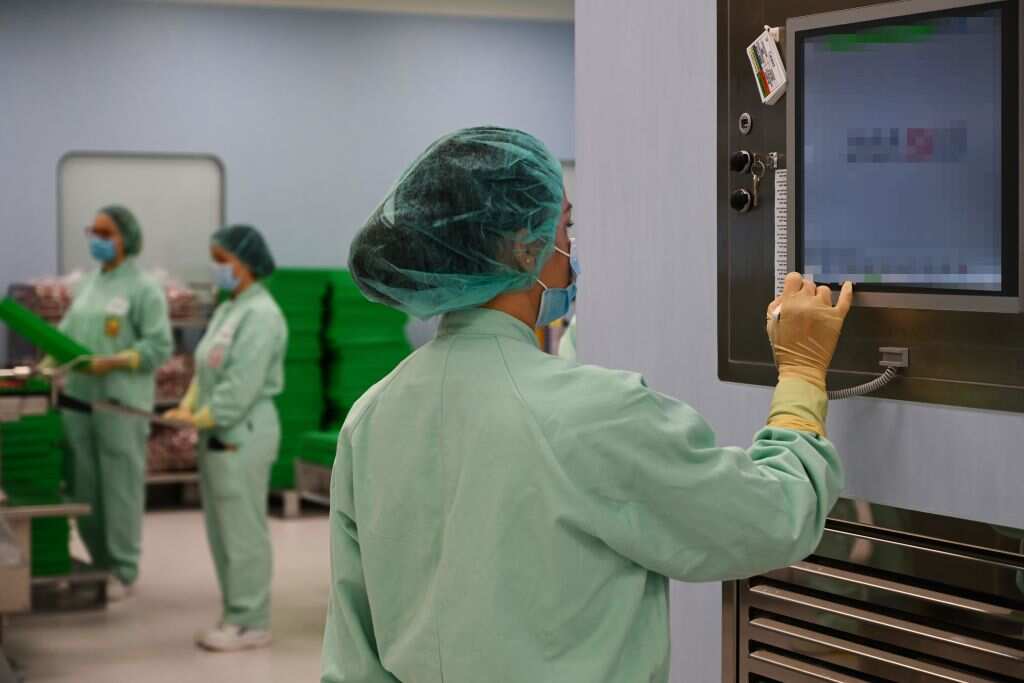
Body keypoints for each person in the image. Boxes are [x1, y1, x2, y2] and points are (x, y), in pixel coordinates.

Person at [321, 127, 853, 682]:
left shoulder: (371, 418)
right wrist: (801, 374)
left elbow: (352, 655)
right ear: (524, 247)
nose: (571, 249)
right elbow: (768, 518)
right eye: (565, 227)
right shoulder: (594, 413)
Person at [165, 225, 286, 652]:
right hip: (218, 430)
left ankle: (252, 621)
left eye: (223, 261)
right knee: (222, 531)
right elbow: (206, 368)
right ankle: (235, 612)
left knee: (243, 530)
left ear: (247, 264)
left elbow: (242, 383)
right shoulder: (228, 308)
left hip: (243, 430)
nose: (217, 269)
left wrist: (205, 416)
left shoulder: (263, 315)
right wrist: (188, 404)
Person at [58, 206, 172, 601]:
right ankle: (99, 563)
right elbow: (64, 339)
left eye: (105, 232)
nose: (97, 239)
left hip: (119, 404)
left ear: (126, 238)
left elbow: (159, 346)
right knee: (84, 490)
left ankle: (123, 569)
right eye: (93, 231)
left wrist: (115, 361)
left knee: (119, 491)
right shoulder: (87, 286)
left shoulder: (143, 289)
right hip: (78, 401)